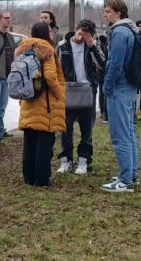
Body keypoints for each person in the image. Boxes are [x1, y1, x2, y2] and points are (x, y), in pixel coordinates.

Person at [17, 22, 66, 187]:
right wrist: (59, 95)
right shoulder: (47, 50)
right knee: (44, 142)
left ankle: (28, 178)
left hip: (27, 101)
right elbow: (51, 77)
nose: (52, 33)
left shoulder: (23, 49)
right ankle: (42, 179)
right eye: (50, 31)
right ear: (45, 33)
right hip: (45, 103)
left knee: (30, 141)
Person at [56, 20, 106, 175]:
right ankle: (66, 160)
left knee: (86, 129)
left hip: (87, 91)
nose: (81, 37)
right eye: (80, 33)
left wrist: (92, 47)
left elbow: (103, 64)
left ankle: (84, 160)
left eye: (85, 35)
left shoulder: (93, 46)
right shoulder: (63, 45)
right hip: (68, 90)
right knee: (65, 128)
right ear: (76, 30)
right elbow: (56, 67)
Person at [101, 0, 139, 193]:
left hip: (119, 88)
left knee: (120, 136)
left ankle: (125, 181)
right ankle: (131, 174)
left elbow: (114, 64)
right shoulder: (131, 30)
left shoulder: (119, 33)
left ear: (118, 13)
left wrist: (106, 88)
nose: (105, 14)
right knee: (129, 133)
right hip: (129, 88)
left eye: (108, 11)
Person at [97, 34, 109, 123]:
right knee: (105, 93)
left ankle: (102, 112)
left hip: (100, 73)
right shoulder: (106, 46)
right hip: (105, 72)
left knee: (102, 92)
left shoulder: (98, 46)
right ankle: (104, 112)